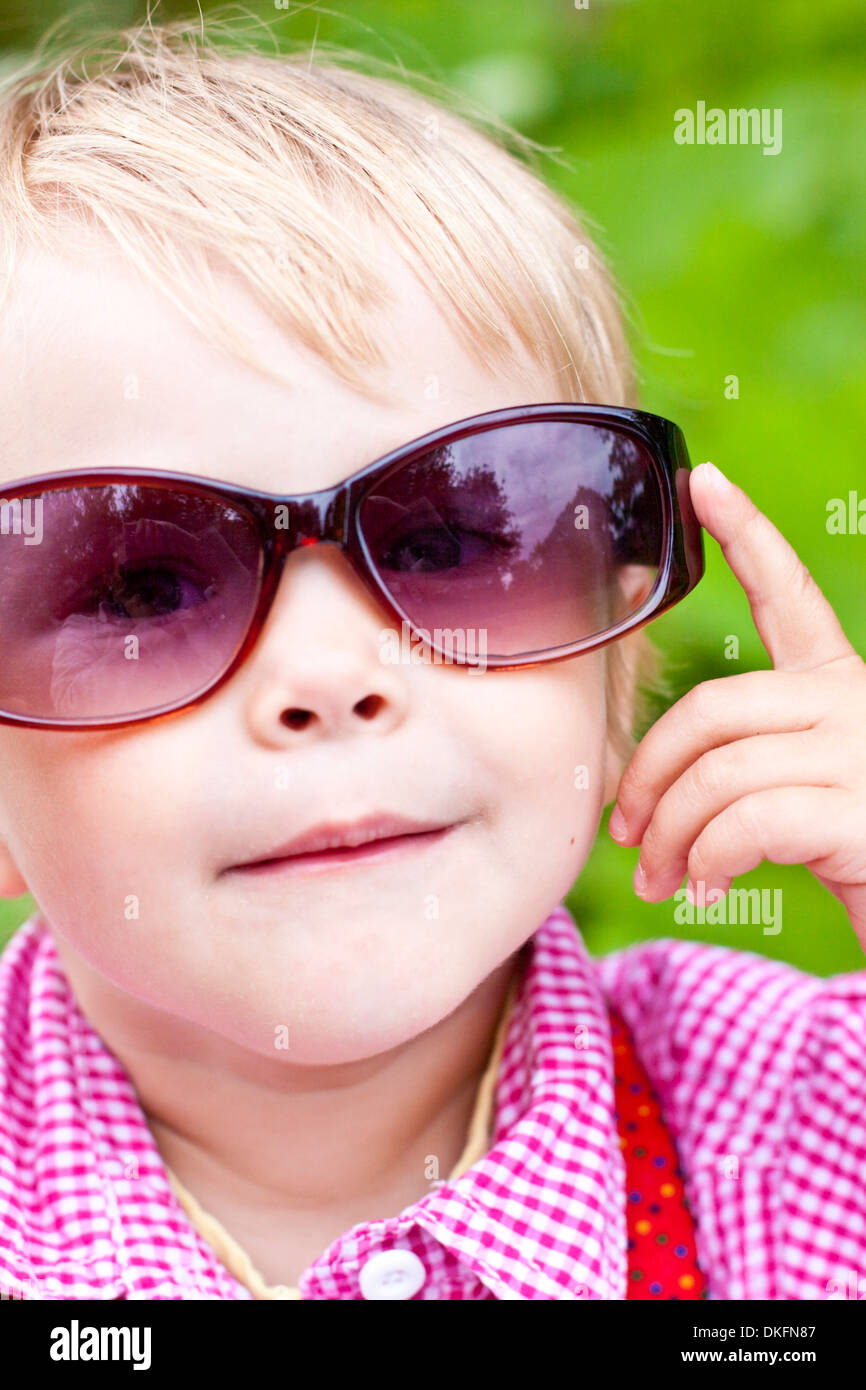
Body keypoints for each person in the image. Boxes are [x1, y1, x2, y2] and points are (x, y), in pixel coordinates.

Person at [0, 14, 864, 1302]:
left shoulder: (789, 1126)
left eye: (459, 536)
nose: (329, 674)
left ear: (616, 655)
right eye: (136, 585)